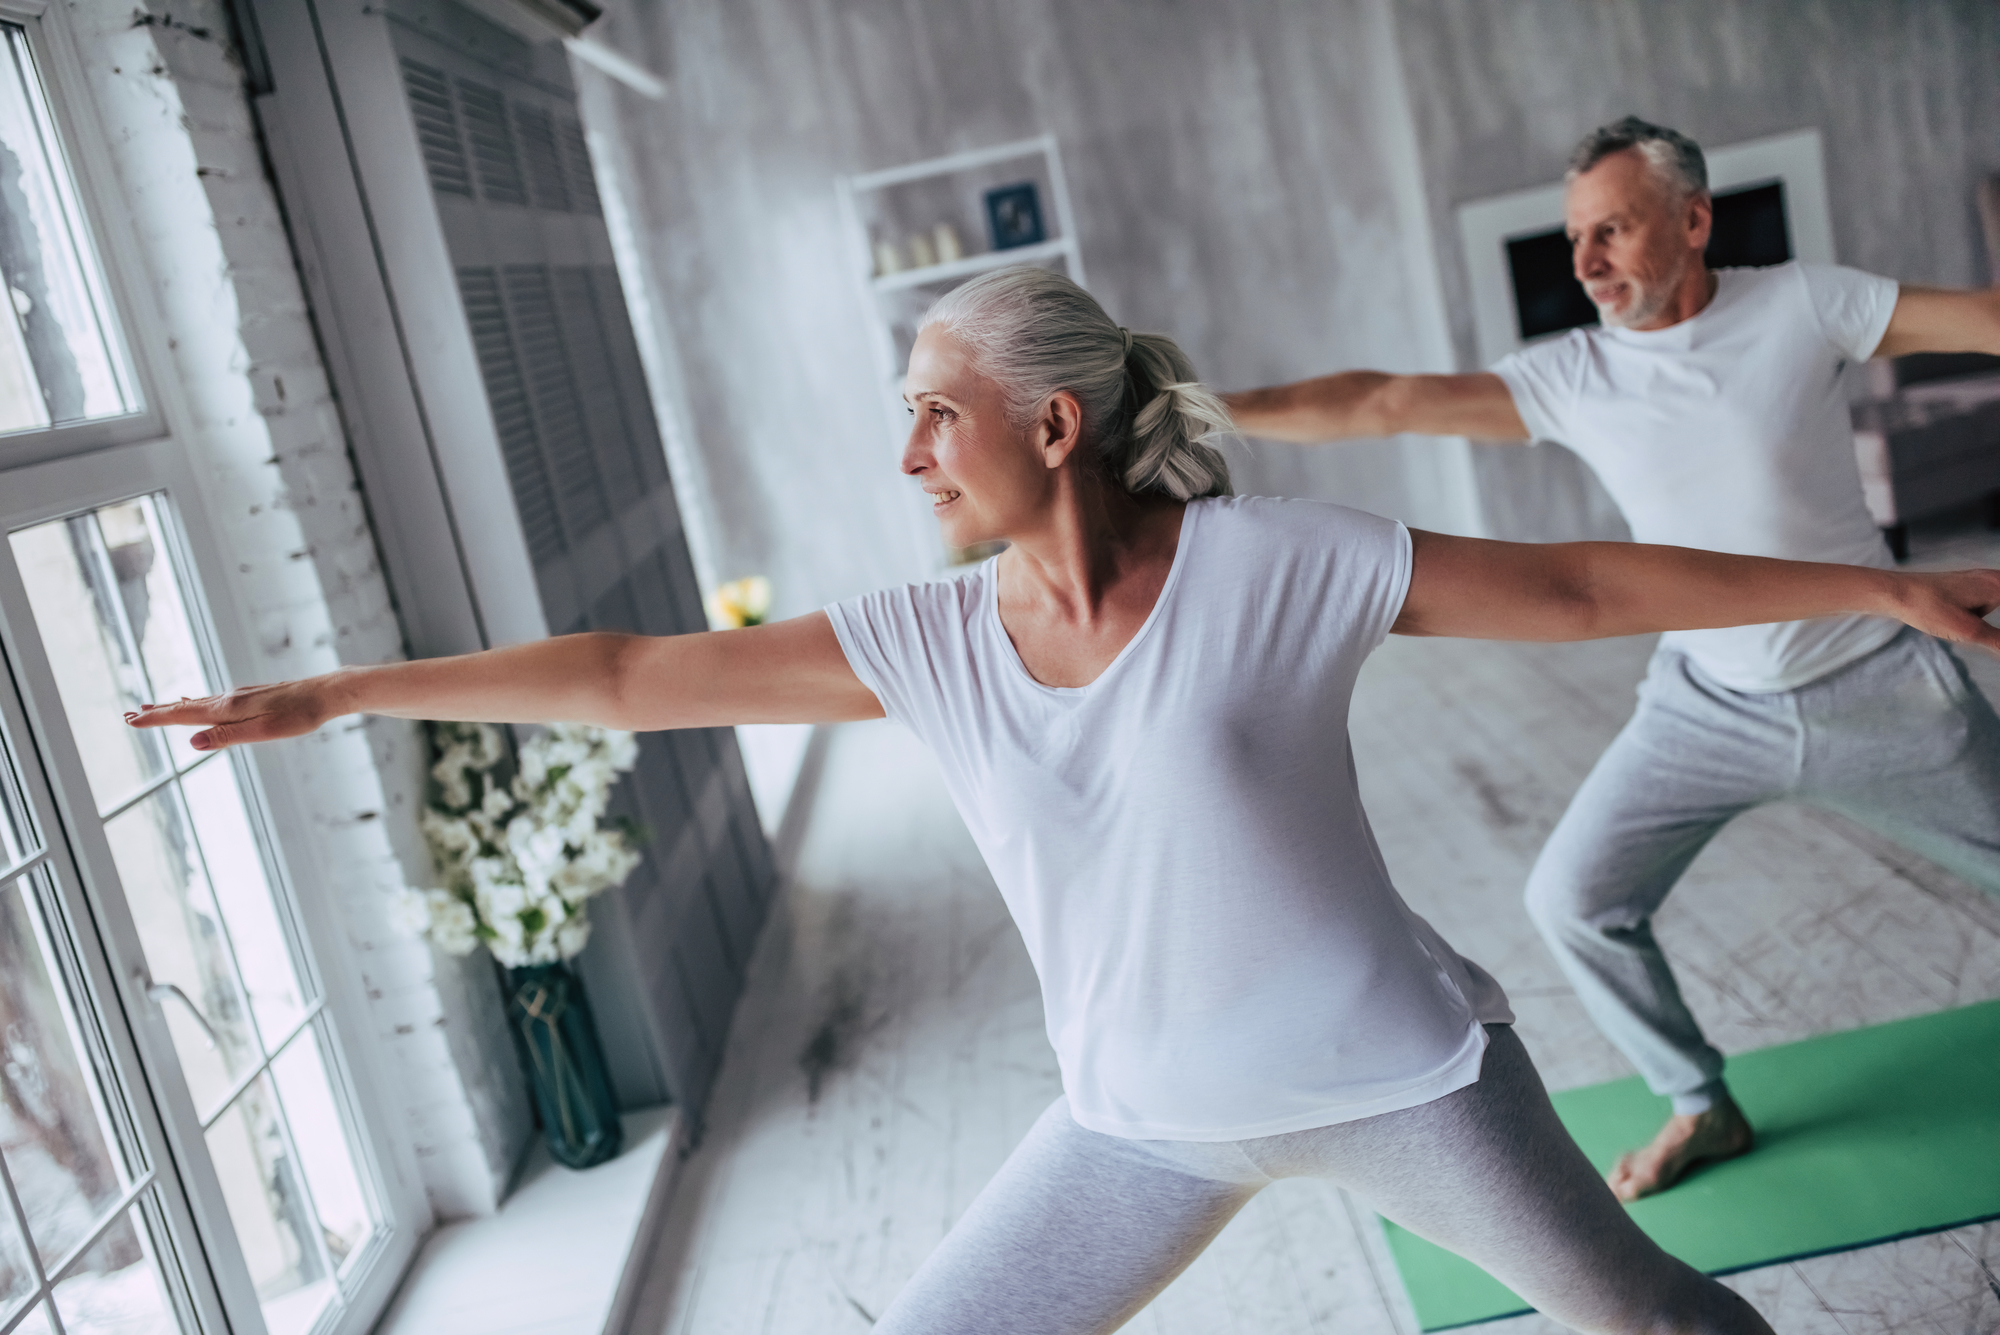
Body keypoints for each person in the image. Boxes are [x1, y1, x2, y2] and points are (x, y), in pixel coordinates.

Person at [131, 267, 2000, 1334]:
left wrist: (1882, 586)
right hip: (1138, 1129)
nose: (905, 452)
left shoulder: (1276, 564)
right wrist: (340, 692)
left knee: (1665, 1327)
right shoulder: (929, 639)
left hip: (1409, 1088)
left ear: (1051, 426)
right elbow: (630, 673)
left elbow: (1585, 589)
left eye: (932, 410)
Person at [1224, 115, 2000, 1202]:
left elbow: (1982, 319)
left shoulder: (1801, 302)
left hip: (1878, 679)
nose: (1584, 264)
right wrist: (1200, 410)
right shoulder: (1573, 376)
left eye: (1613, 231)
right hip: (1703, 704)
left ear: (1691, 221)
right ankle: (1698, 1103)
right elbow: (1380, 399)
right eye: (1573, 238)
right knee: (1572, 901)